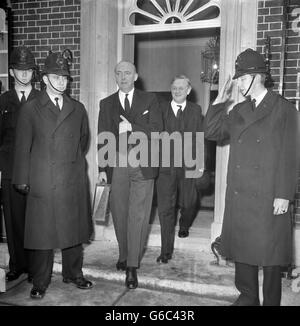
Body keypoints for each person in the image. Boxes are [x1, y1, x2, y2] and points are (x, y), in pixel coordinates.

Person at [204, 48, 299, 306]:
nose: (238, 83)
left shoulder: (284, 110)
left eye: (242, 79)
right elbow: (211, 132)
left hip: (269, 193)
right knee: (243, 250)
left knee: (269, 256)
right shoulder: (238, 111)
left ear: (257, 76)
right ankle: (247, 297)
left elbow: (291, 156)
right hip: (241, 193)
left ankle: (270, 302)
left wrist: (283, 194)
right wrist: (218, 102)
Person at [12, 50, 93, 299]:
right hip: (43, 180)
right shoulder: (31, 109)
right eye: (56, 77)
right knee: (43, 235)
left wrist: (74, 167)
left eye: (65, 78)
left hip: (71, 178)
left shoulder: (77, 108)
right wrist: (22, 179)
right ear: (45, 79)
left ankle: (73, 273)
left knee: (73, 231)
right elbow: (22, 146)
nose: (61, 82)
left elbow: (83, 141)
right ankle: (40, 281)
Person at [98, 61, 163, 289]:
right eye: (118, 73)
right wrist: (102, 170)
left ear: (136, 76)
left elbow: (157, 130)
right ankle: (124, 254)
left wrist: (133, 127)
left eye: (127, 73)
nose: (123, 76)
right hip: (117, 164)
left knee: (138, 215)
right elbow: (102, 136)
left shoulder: (150, 100)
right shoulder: (106, 104)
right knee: (119, 213)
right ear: (115, 77)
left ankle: (132, 267)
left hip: (143, 165)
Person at [156, 75, 209, 264]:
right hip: (165, 167)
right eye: (174, 87)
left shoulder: (196, 110)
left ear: (188, 91)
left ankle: (184, 223)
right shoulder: (160, 109)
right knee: (165, 209)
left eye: (181, 88)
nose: (177, 91)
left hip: (188, 165)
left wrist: (201, 164)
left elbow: (199, 138)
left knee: (189, 202)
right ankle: (165, 251)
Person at [0, 46, 40, 283]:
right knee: (13, 219)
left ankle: (35, 268)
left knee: (34, 220)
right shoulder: (3, 100)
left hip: (36, 169)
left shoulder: (42, 99)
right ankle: (16, 265)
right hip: (10, 169)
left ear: (33, 73)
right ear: (12, 71)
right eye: (19, 70)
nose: (24, 74)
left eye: (28, 70)